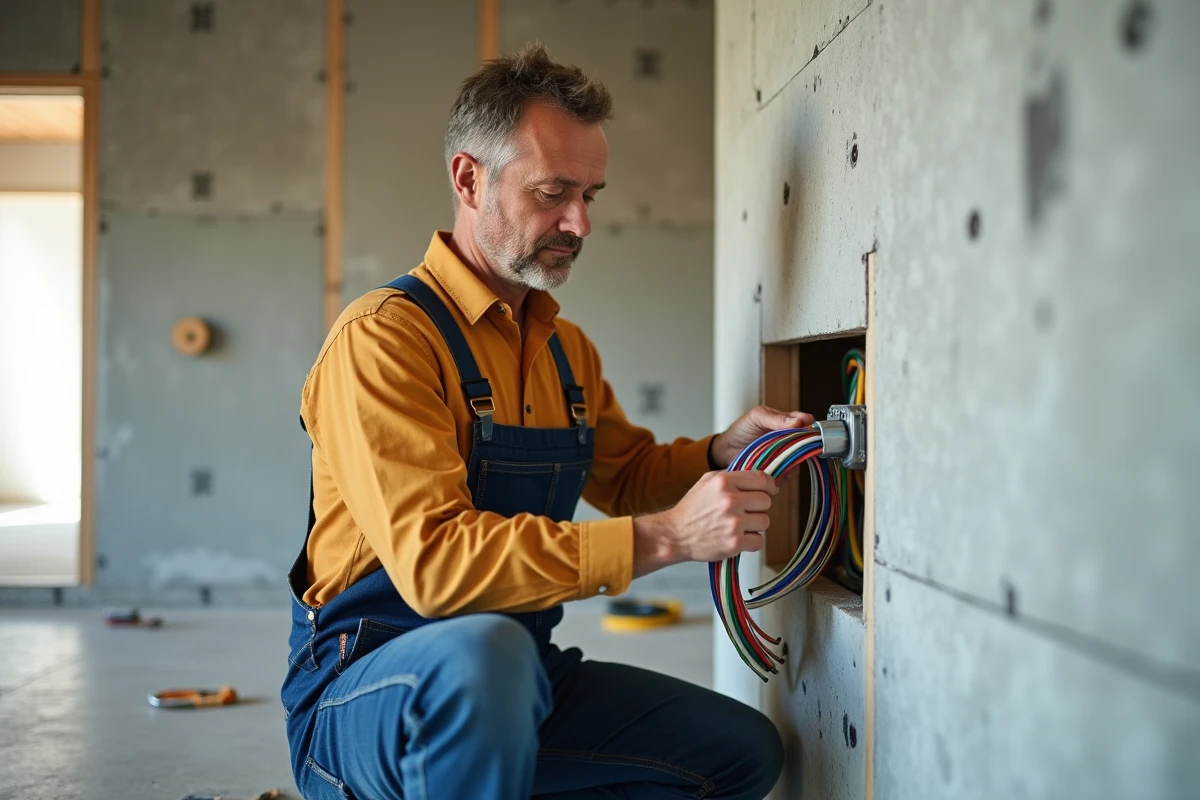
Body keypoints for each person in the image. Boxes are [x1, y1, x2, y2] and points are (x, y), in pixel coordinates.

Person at [281, 43, 809, 800]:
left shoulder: (565, 351)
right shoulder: (383, 340)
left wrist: (720, 453)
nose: (581, 222)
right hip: (366, 693)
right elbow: (435, 565)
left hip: (519, 672)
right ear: (469, 178)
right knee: (482, 658)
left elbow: (626, 476)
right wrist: (667, 538)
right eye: (554, 192)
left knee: (738, 753)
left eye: (591, 193)